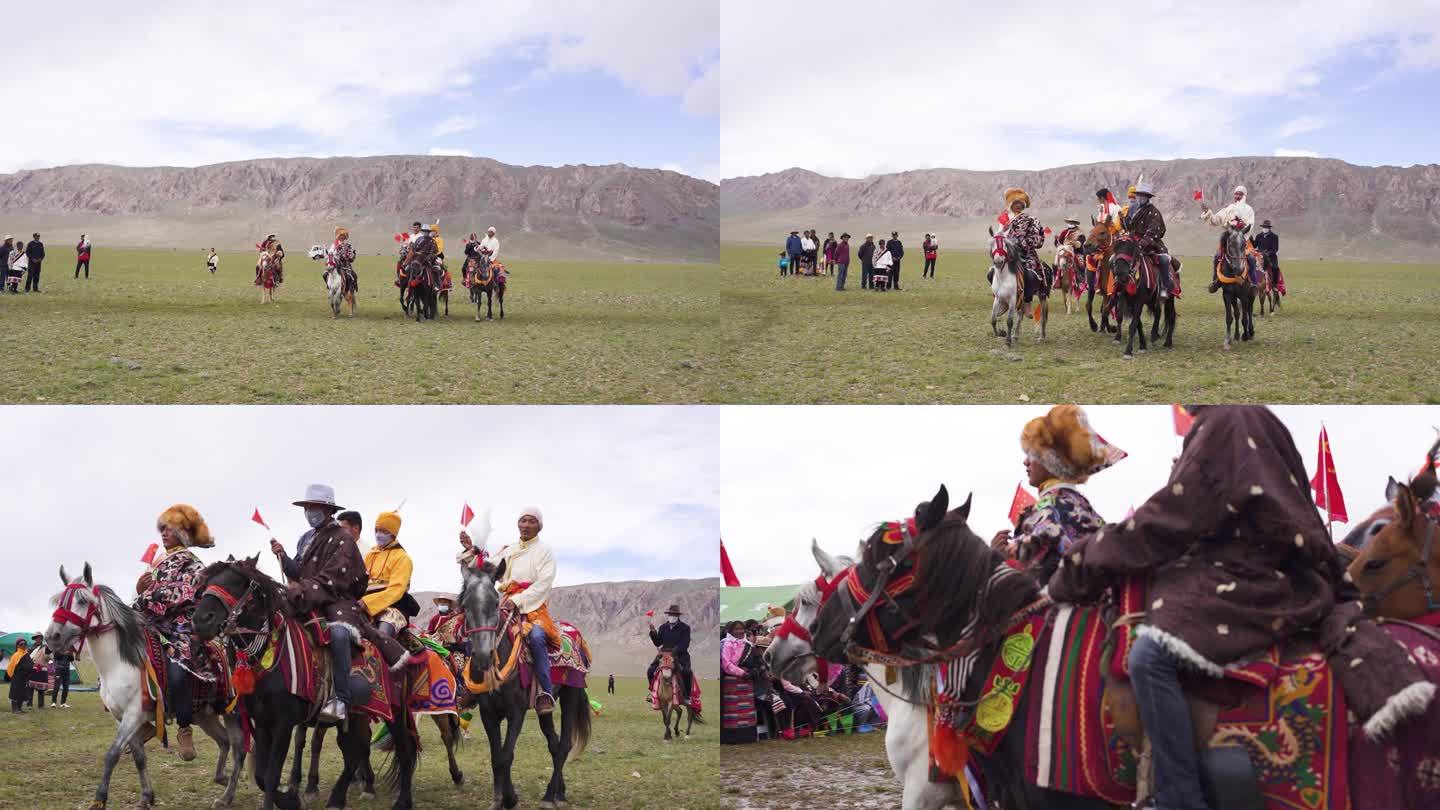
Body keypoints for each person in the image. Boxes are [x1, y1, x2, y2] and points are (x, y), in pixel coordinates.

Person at [1051, 405, 1436, 810]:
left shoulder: (1226, 420)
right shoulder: (1249, 417)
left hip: (1252, 572)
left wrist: (1083, 562)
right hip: (1268, 564)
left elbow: (1172, 518)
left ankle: (1178, 797)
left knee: (1149, 655)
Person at [271, 484, 409, 723]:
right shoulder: (309, 539)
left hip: (338, 602)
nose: (309, 512)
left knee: (338, 633)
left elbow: (332, 578)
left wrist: (299, 591)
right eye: (307, 507)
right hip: (312, 598)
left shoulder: (342, 538)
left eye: (314, 507)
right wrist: (283, 557)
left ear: (327, 509)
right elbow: (303, 573)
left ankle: (341, 700)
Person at [990, 405, 1122, 588]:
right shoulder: (1080, 504)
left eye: (1032, 454)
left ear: (1052, 460)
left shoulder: (1051, 507)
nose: (1025, 462)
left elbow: (1027, 578)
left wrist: (998, 557)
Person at [132, 504, 219, 760]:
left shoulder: (194, 563)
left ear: (182, 532)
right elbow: (146, 595)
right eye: (162, 529)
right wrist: (139, 589)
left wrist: (148, 596)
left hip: (181, 627)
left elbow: (186, 593)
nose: (163, 533)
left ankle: (184, 728)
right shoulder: (158, 562)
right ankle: (145, 719)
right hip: (152, 623)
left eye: (169, 528)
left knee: (177, 673)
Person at [459, 507, 560, 713]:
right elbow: (485, 569)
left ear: (539, 526)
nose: (526, 525)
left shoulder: (545, 551)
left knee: (538, 638)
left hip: (533, 608)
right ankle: (473, 687)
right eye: (523, 520)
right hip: (504, 603)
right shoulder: (509, 549)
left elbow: (544, 583)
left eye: (531, 521)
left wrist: (519, 600)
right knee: (478, 631)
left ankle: (544, 692)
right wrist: (471, 550)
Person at [362, 511, 415, 642]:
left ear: (393, 534)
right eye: (377, 530)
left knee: (382, 636)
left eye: (384, 531)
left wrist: (367, 602)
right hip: (364, 602)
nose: (378, 534)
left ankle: (393, 661)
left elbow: (396, 590)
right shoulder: (370, 555)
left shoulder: (403, 558)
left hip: (393, 606)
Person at [1200, 185, 1257, 292]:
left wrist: (1241, 231)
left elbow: (1251, 225)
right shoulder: (1229, 208)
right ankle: (1215, 281)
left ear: (1245, 196)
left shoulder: (1249, 210)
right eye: (1236, 194)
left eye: (1240, 194)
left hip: (1242, 238)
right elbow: (1216, 220)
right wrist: (1208, 212)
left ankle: (1254, 284)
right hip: (1228, 237)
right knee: (1217, 256)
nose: (1238, 196)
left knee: (1251, 259)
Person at [1125, 181, 1176, 298]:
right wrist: (1125, 219)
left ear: (1147, 197)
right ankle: (1119, 284)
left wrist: (1142, 243)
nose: (1139, 198)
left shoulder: (1154, 212)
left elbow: (1152, 232)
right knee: (1118, 257)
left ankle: (1164, 287)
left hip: (1151, 244)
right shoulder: (1133, 209)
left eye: (1142, 195)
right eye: (1138, 195)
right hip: (1133, 241)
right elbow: (1129, 227)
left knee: (1164, 259)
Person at [1000, 188, 1047, 306]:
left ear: (1023, 205)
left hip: (1026, 254)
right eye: (1015, 204)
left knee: (1030, 275)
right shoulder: (1005, 222)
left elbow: (1039, 240)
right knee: (992, 272)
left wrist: (1021, 242)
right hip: (1008, 253)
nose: (1017, 206)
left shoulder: (1032, 220)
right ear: (1010, 206)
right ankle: (1000, 297)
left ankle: (1027, 302)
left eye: (1020, 204)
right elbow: (999, 238)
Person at [647, 604, 693, 706]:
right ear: (668, 615)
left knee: (687, 672)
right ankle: (653, 693)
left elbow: (684, 644)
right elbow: (658, 643)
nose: (672, 616)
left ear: (678, 616)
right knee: (650, 671)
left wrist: (673, 652)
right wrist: (653, 633)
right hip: (663, 655)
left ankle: (687, 697)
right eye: (670, 614)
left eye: (674, 614)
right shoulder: (663, 627)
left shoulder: (685, 628)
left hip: (680, 655)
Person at [720, 620, 758, 744]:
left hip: (747, 682)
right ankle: (732, 737)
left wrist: (752, 672)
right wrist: (742, 673)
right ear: (731, 631)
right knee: (733, 711)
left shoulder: (748, 645)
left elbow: (755, 661)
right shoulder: (726, 644)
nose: (739, 631)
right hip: (732, 681)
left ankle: (748, 736)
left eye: (741, 629)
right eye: (736, 629)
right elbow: (726, 664)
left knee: (746, 710)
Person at [327, 227, 359, 315]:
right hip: (336, 264)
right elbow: (330, 253)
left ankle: (350, 289)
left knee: (352, 276)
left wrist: (349, 256)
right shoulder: (335, 244)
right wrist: (332, 257)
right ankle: (329, 286)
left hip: (345, 266)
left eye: (343, 236)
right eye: (340, 236)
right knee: (325, 274)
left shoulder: (348, 246)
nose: (342, 237)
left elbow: (351, 257)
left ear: (345, 237)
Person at [1251, 219, 1282, 293]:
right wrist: (1250, 238)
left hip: (1271, 257)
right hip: (1259, 256)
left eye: (1266, 227)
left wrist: (1266, 254)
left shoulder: (1275, 237)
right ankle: (1252, 283)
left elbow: (1275, 249)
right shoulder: (1259, 236)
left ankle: (1274, 285)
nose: (1265, 228)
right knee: (1251, 266)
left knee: (1275, 268)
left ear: (1269, 228)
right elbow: (1254, 245)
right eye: (1264, 227)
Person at [8, 637, 33, 713]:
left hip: (25, 677)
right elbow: (10, 667)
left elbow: (30, 664)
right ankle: (14, 709)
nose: (23, 645)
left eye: (25, 644)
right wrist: (13, 676)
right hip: (17, 677)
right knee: (15, 693)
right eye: (21, 644)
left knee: (22, 693)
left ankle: (19, 708)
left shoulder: (27, 654)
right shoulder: (15, 655)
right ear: (17, 645)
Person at [27, 634, 50, 710]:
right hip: (32, 669)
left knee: (41, 688)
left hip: (42, 669)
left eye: (39, 638)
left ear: (41, 639)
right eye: (36, 638)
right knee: (30, 687)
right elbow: (28, 658)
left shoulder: (46, 647)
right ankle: (29, 704)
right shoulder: (30, 648)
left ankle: (41, 705)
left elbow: (48, 657)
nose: (38, 639)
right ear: (35, 639)